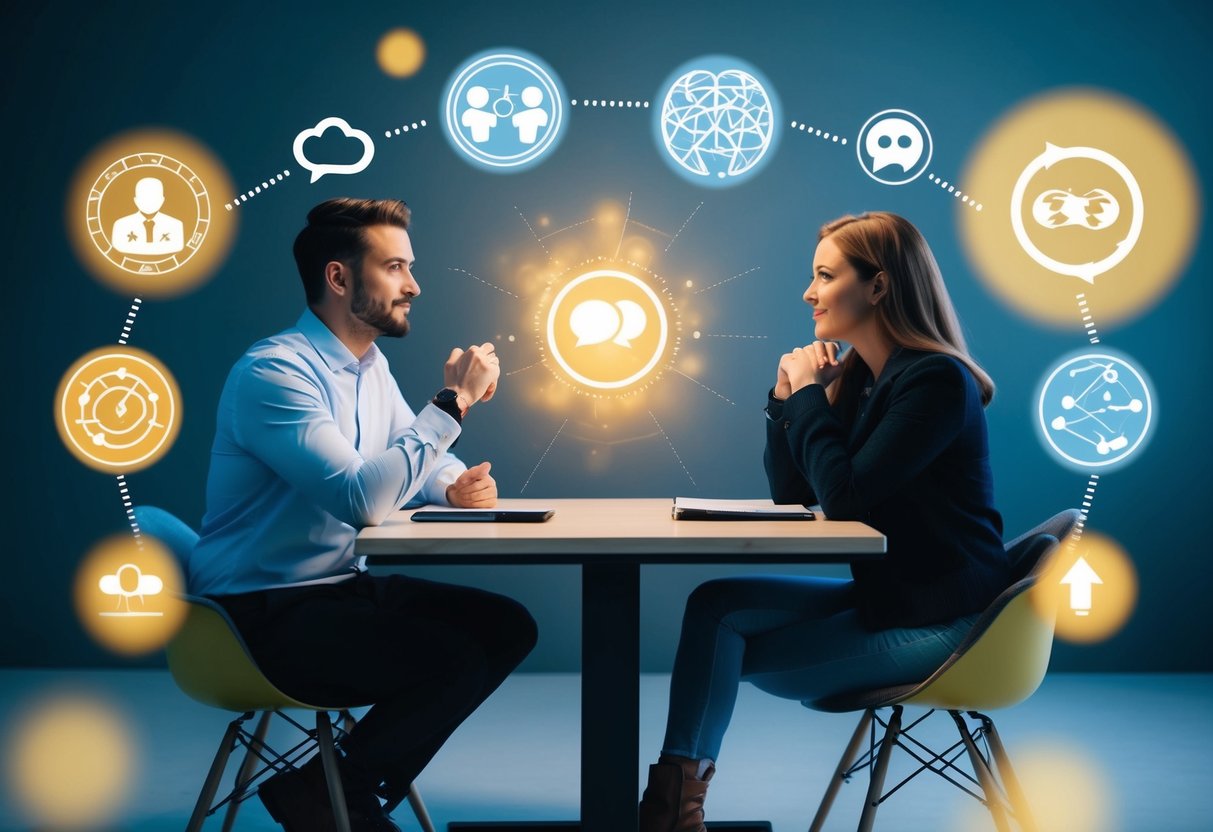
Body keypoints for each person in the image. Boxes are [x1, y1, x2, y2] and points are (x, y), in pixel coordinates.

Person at [637, 211, 1008, 831]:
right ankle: (670, 812)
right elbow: (792, 492)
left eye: (825, 276)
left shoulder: (935, 382)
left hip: (947, 624)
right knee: (715, 607)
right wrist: (787, 398)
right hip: (894, 599)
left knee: (725, 648)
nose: (809, 293)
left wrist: (810, 396)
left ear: (879, 286)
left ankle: (670, 815)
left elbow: (844, 498)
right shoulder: (868, 380)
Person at [189, 197, 538, 832]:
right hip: (261, 613)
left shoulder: (368, 367)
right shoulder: (274, 373)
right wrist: (455, 400)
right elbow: (359, 497)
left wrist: (452, 485)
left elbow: (409, 456)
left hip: (338, 590)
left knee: (507, 627)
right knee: (452, 659)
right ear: (340, 277)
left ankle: (336, 788)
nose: (414, 285)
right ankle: (333, 795)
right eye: (396, 267)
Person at [111, 176, 185, 255]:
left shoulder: (175, 225)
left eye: (154, 197)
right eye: (144, 196)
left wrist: (136, 247)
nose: (149, 200)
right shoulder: (121, 225)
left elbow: (177, 246)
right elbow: (118, 247)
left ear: (162, 200)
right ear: (135, 200)